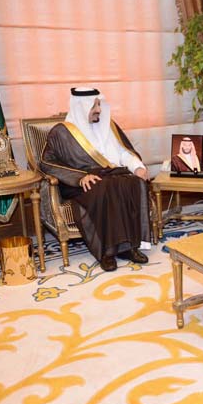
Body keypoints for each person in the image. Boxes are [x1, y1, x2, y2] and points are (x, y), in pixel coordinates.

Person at [41, 87, 151, 272]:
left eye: (99, 104)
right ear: (81, 107)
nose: (99, 110)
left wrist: (137, 167)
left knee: (133, 182)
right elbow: (46, 162)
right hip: (81, 182)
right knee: (105, 188)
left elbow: (123, 152)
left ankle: (128, 247)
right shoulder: (61, 132)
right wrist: (79, 177)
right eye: (94, 106)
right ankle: (107, 252)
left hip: (111, 175)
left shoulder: (108, 125)